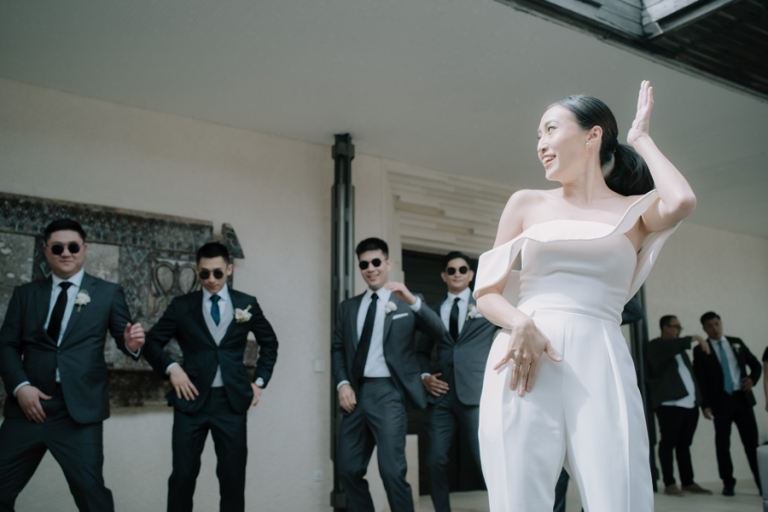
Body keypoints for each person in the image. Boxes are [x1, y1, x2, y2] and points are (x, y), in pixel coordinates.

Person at [473, 81, 696, 511]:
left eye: (550, 129)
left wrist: (641, 138)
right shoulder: (526, 203)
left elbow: (683, 200)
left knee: (619, 492)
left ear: (593, 136)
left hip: (602, 358)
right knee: (518, 496)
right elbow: (486, 293)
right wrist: (519, 321)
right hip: (524, 356)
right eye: (538, 135)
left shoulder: (635, 212)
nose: (541, 144)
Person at [0, 219, 145, 512]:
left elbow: (125, 339)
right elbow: (7, 345)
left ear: (84, 249)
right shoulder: (25, 294)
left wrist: (131, 344)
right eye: (57, 248)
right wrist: (21, 387)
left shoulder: (108, 292)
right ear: (46, 251)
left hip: (78, 411)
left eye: (73, 247)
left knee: (92, 497)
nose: (66, 253)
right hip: (27, 407)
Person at [141, 242, 279, 512]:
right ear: (196, 271)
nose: (211, 279)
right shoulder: (182, 306)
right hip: (190, 400)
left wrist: (259, 381)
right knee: (182, 476)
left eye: (217, 272)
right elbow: (151, 343)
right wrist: (172, 368)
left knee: (232, 478)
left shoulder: (246, 303)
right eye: (204, 273)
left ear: (229, 269)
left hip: (231, 403)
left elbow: (270, 343)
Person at [331, 237, 445, 512]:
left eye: (376, 262)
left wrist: (413, 301)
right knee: (347, 468)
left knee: (392, 472)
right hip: (355, 393)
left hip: (389, 393)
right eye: (364, 264)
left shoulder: (406, 302)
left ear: (388, 263)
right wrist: (342, 383)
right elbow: (338, 348)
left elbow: (439, 332)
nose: (371, 268)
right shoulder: (348, 307)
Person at [417, 251, 499, 512]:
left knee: (486, 459)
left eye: (462, 269)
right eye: (451, 270)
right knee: (434, 460)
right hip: (440, 395)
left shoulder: (486, 306)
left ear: (471, 274)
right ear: (444, 275)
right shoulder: (432, 311)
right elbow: (421, 351)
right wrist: (425, 376)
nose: (457, 274)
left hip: (475, 393)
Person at [693, 311, 761, 496]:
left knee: (752, 444)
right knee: (723, 444)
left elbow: (756, 364)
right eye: (710, 326)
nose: (715, 329)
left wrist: (752, 380)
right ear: (704, 329)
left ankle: (762, 482)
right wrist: (705, 405)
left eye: (717, 324)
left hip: (742, 399)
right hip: (720, 402)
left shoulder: (736, 342)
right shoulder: (701, 350)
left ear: (721, 324)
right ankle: (728, 483)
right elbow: (701, 380)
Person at [646, 315, 712, 496]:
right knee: (668, 443)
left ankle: (688, 482)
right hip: (670, 404)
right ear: (665, 327)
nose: (678, 331)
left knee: (684, 444)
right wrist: (696, 338)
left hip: (690, 404)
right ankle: (669, 483)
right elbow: (669, 348)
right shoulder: (656, 346)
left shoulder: (680, 350)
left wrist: (701, 402)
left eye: (680, 328)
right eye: (675, 327)